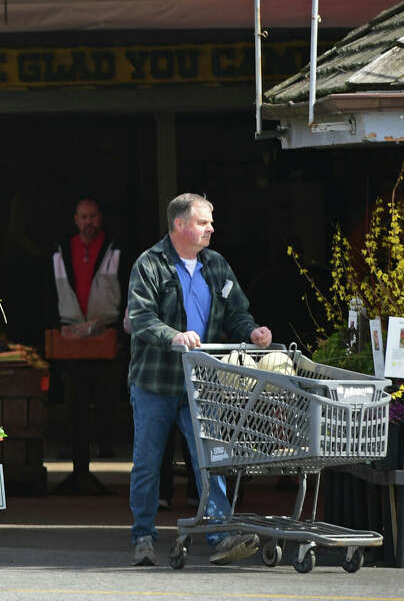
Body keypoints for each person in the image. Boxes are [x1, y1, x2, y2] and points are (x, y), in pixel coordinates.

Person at [126, 193, 272, 566]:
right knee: (147, 462)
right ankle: (143, 536)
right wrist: (172, 335)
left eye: (210, 221)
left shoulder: (215, 265)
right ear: (180, 225)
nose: (211, 228)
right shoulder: (150, 264)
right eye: (203, 221)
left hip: (201, 382)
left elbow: (236, 310)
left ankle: (220, 535)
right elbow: (140, 319)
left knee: (209, 459)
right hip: (155, 382)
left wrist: (253, 331)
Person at [51, 197, 126, 457]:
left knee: (107, 393)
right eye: (83, 217)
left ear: (100, 218)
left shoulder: (115, 249)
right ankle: (74, 447)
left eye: (92, 216)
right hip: (71, 331)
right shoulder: (61, 250)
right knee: (73, 395)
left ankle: (105, 445)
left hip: (106, 330)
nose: (88, 222)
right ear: (75, 220)